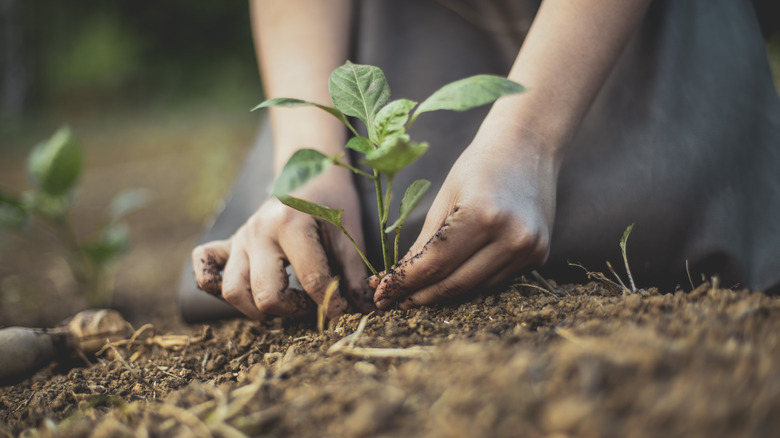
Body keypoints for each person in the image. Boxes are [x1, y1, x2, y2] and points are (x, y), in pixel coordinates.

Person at [179, 0, 780, 322]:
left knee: (652, 212)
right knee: (297, 245)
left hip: (616, 30)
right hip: (390, 25)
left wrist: (530, 137)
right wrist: (310, 163)